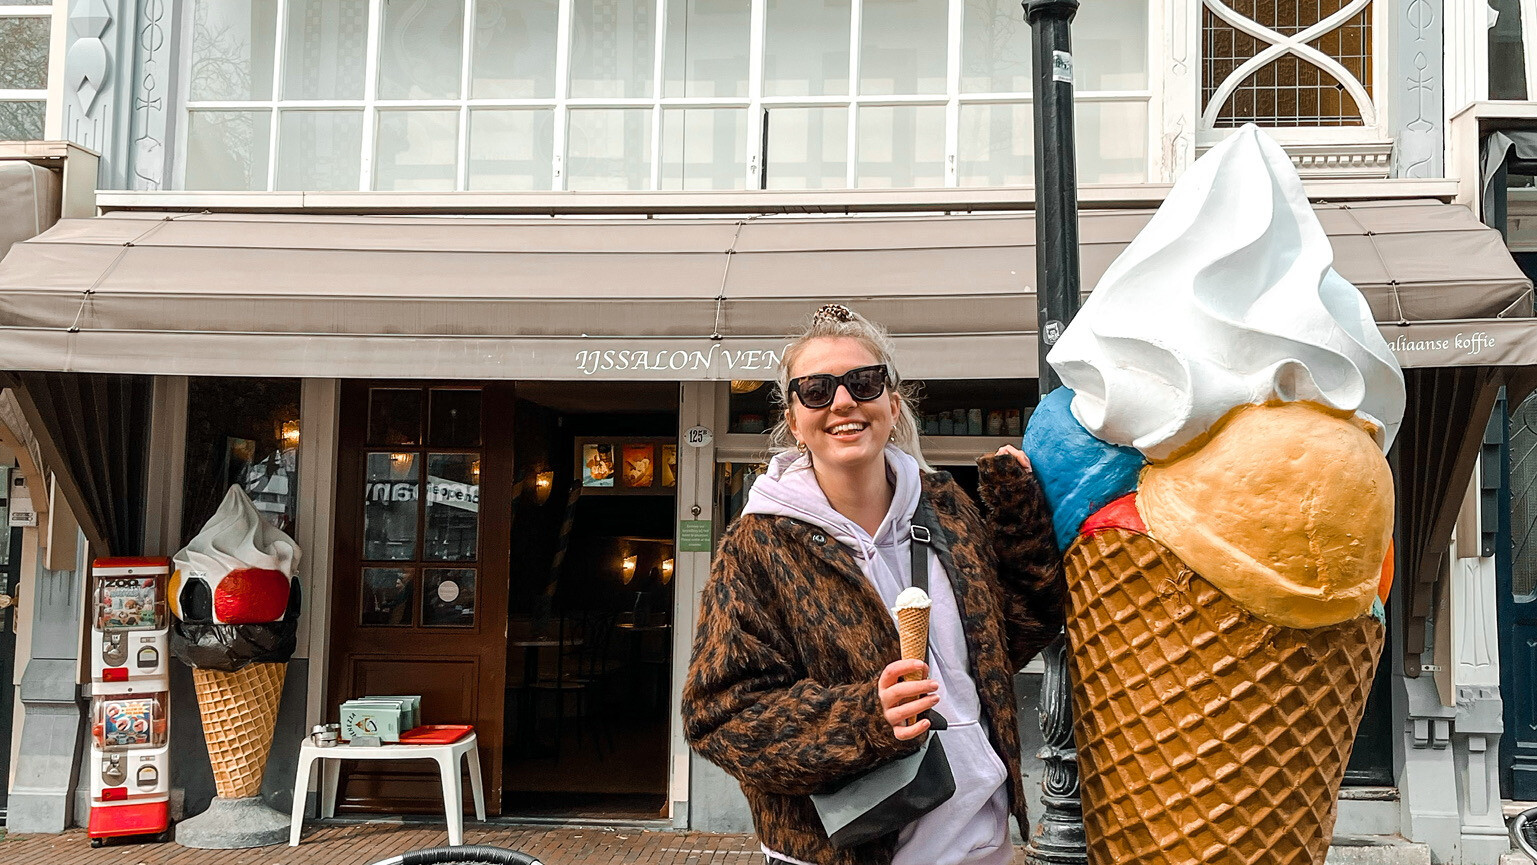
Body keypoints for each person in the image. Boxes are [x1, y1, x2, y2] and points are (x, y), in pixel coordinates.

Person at [682, 304, 1066, 865]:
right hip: (844, 852)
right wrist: (864, 718)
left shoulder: (947, 510)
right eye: (815, 389)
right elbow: (720, 716)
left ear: (892, 400)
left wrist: (1018, 516)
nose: (842, 402)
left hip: (981, 843)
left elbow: (1013, 635)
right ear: (793, 419)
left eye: (863, 382)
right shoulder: (759, 546)